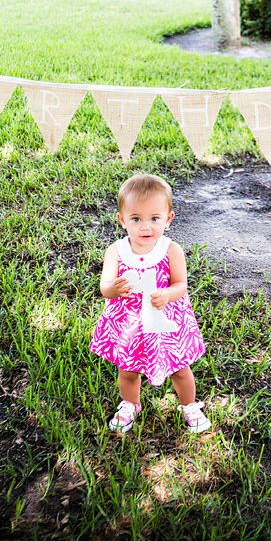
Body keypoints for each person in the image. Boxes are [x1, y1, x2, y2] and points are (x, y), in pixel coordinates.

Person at [89, 173, 211, 434]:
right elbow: (105, 288)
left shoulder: (170, 249)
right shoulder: (116, 251)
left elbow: (181, 285)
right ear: (122, 220)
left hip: (165, 323)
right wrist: (114, 288)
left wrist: (167, 294)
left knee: (179, 368)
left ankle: (189, 405)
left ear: (168, 219)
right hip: (129, 325)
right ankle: (130, 403)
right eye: (136, 219)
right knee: (128, 370)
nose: (146, 227)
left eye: (155, 218)